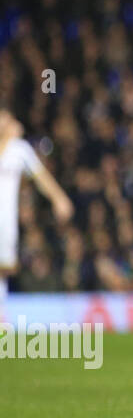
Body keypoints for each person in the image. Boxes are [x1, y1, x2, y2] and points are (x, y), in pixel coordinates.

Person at [0, 108, 74, 318]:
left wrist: (59, 198)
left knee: (4, 269)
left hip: (6, 222)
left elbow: (41, 176)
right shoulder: (8, 144)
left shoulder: (19, 149)